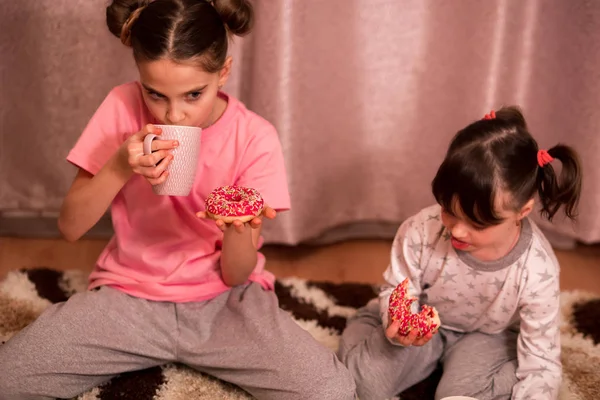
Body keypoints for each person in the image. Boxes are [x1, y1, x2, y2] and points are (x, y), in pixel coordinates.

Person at [0, 1, 355, 399]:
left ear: (223, 72)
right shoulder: (121, 106)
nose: (174, 115)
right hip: (129, 295)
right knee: (9, 378)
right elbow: (70, 228)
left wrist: (239, 229)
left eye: (193, 95)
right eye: (155, 94)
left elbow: (237, 274)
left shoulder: (255, 138)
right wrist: (119, 165)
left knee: (331, 390)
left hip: (224, 301)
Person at [338, 106, 582, 400]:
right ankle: (369, 335)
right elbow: (399, 290)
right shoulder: (420, 229)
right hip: (422, 324)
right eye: (448, 211)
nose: (457, 231)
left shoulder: (537, 268)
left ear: (522, 211)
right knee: (355, 384)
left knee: (464, 394)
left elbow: (541, 363)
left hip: (487, 338)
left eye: (477, 223)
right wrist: (397, 322)